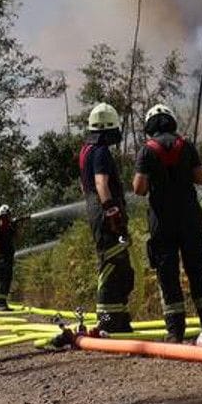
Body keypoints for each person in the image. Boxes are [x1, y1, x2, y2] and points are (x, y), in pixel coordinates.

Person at [133, 103, 202, 342]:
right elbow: (201, 179)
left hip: (162, 223)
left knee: (167, 275)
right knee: (198, 270)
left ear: (150, 126)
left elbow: (139, 189)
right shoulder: (186, 145)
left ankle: (175, 333)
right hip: (190, 218)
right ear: (171, 121)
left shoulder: (146, 151)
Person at [79, 102, 136, 334]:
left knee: (120, 266)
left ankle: (118, 319)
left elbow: (84, 187)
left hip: (95, 213)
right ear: (107, 128)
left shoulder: (86, 150)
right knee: (113, 265)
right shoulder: (101, 151)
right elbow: (102, 183)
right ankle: (108, 320)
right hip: (105, 216)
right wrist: (113, 213)